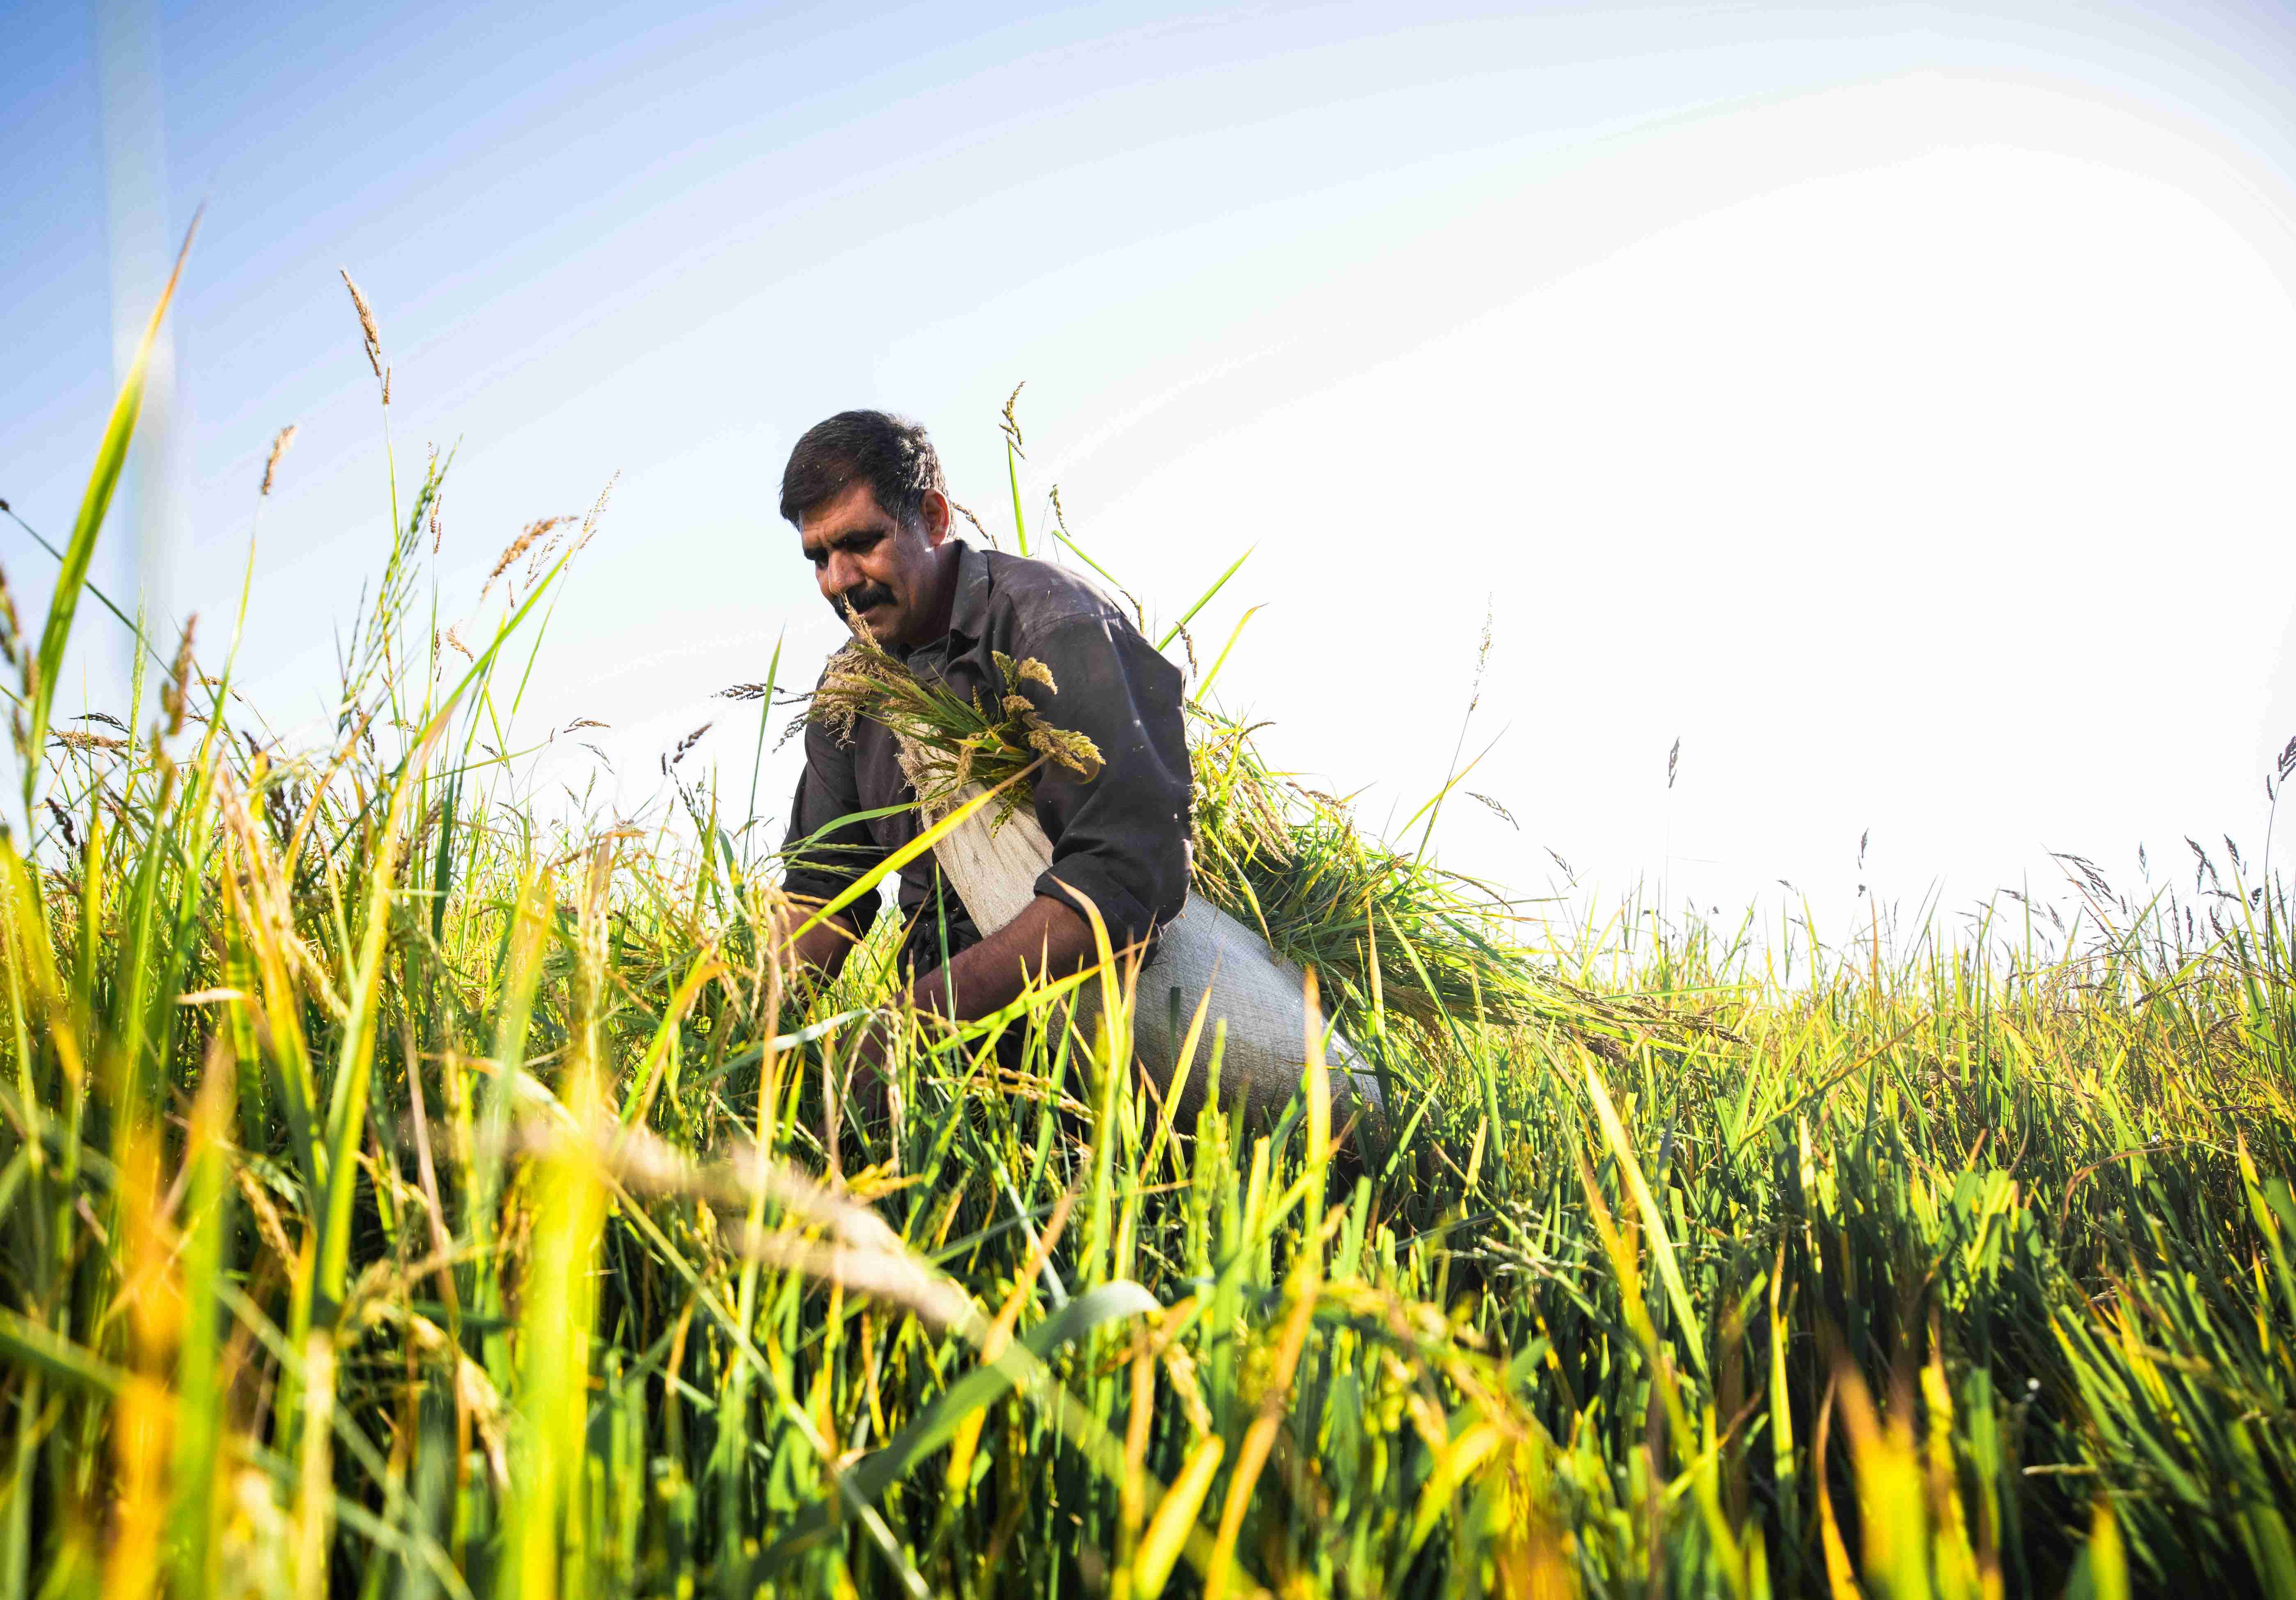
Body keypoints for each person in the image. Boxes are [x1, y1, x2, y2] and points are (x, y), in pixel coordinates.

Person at [772, 410, 1193, 1030]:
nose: (840, 581)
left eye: (861, 543)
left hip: (1088, 1016)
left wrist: (919, 1019)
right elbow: (822, 892)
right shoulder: (851, 695)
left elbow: (1127, 871)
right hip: (944, 1028)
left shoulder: (1051, 627)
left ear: (934, 519)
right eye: (819, 557)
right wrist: (738, 1048)